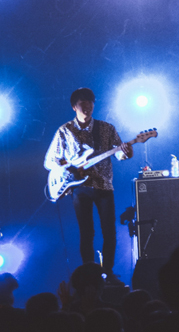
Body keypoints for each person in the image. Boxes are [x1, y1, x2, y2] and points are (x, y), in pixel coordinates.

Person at [44, 88, 133, 283]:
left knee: (109, 232)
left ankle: (108, 272)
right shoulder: (65, 130)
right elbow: (49, 161)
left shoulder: (106, 128)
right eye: (82, 103)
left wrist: (127, 152)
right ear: (74, 106)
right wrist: (66, 167)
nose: (87, 107)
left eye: (90, 103)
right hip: (80, 188)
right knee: (87, 233)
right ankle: (90, 276)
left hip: (103, 185)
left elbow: (119, 154)